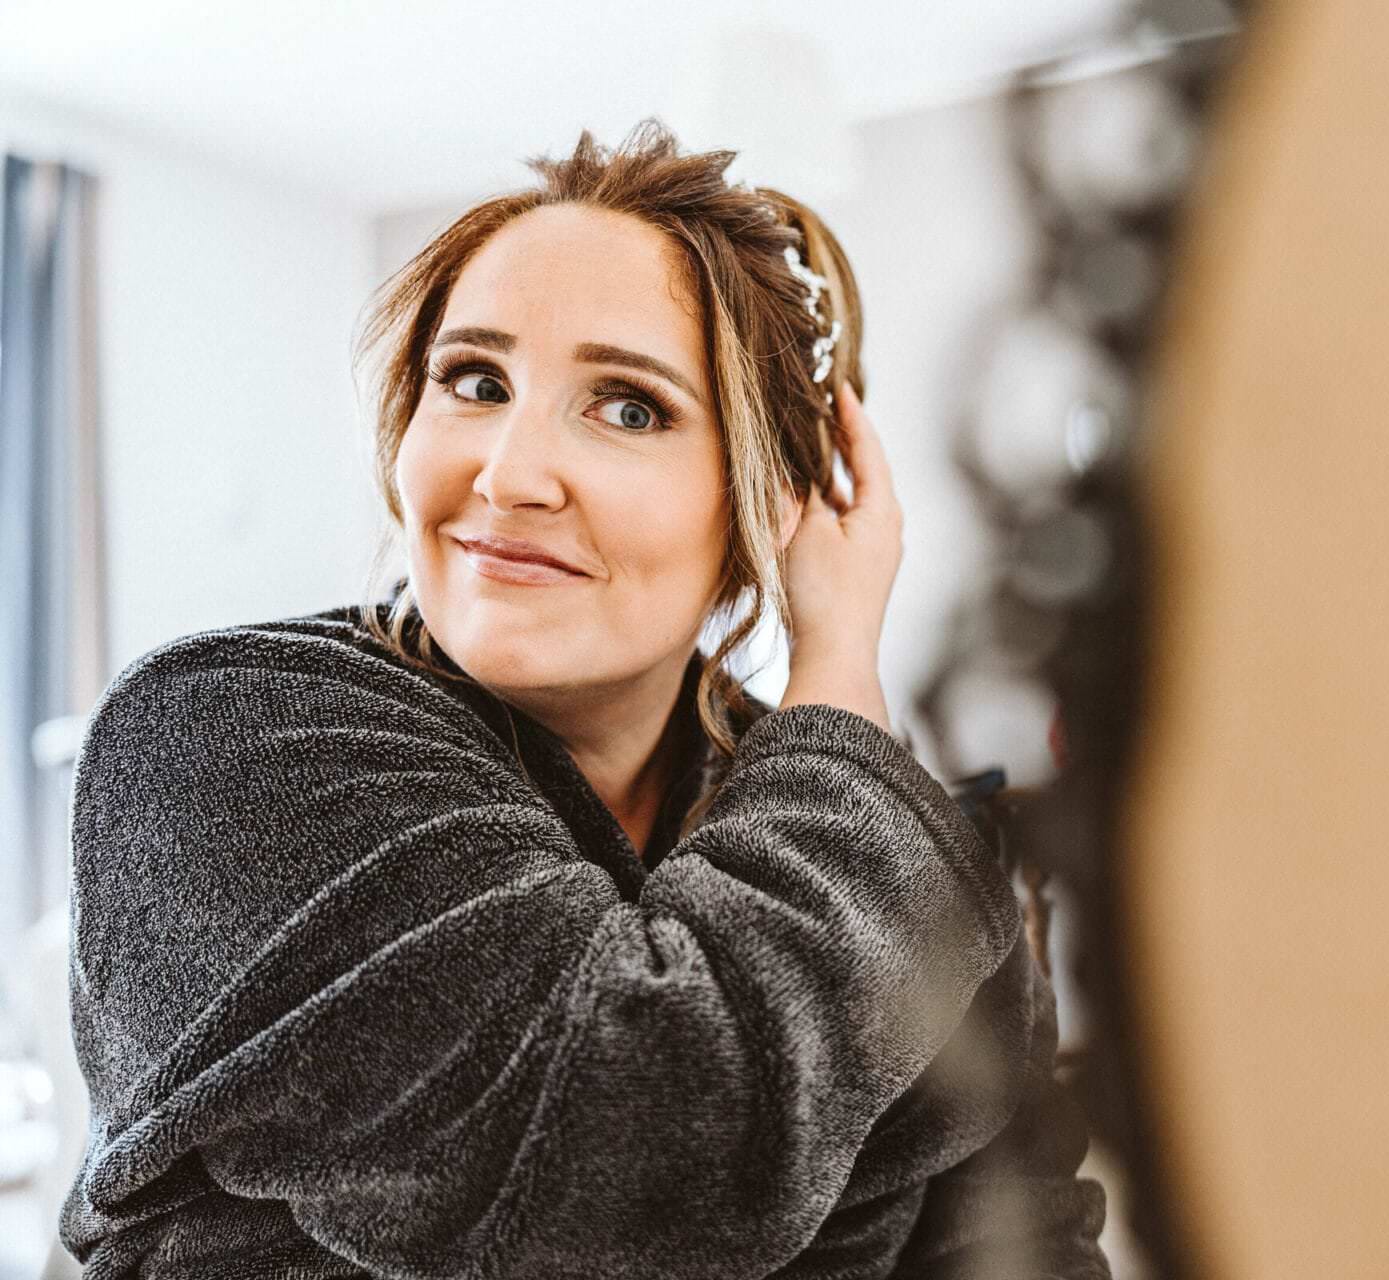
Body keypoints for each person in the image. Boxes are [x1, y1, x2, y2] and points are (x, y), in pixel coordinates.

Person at [56, 120, 1111, 1278]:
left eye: (629, 407)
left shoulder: (907, 840)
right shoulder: (223, 732)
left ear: (776, 504)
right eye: (476, 381)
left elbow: (1027, 1242)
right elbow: (611, 1179)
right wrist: (843, 682)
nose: (508, 473)